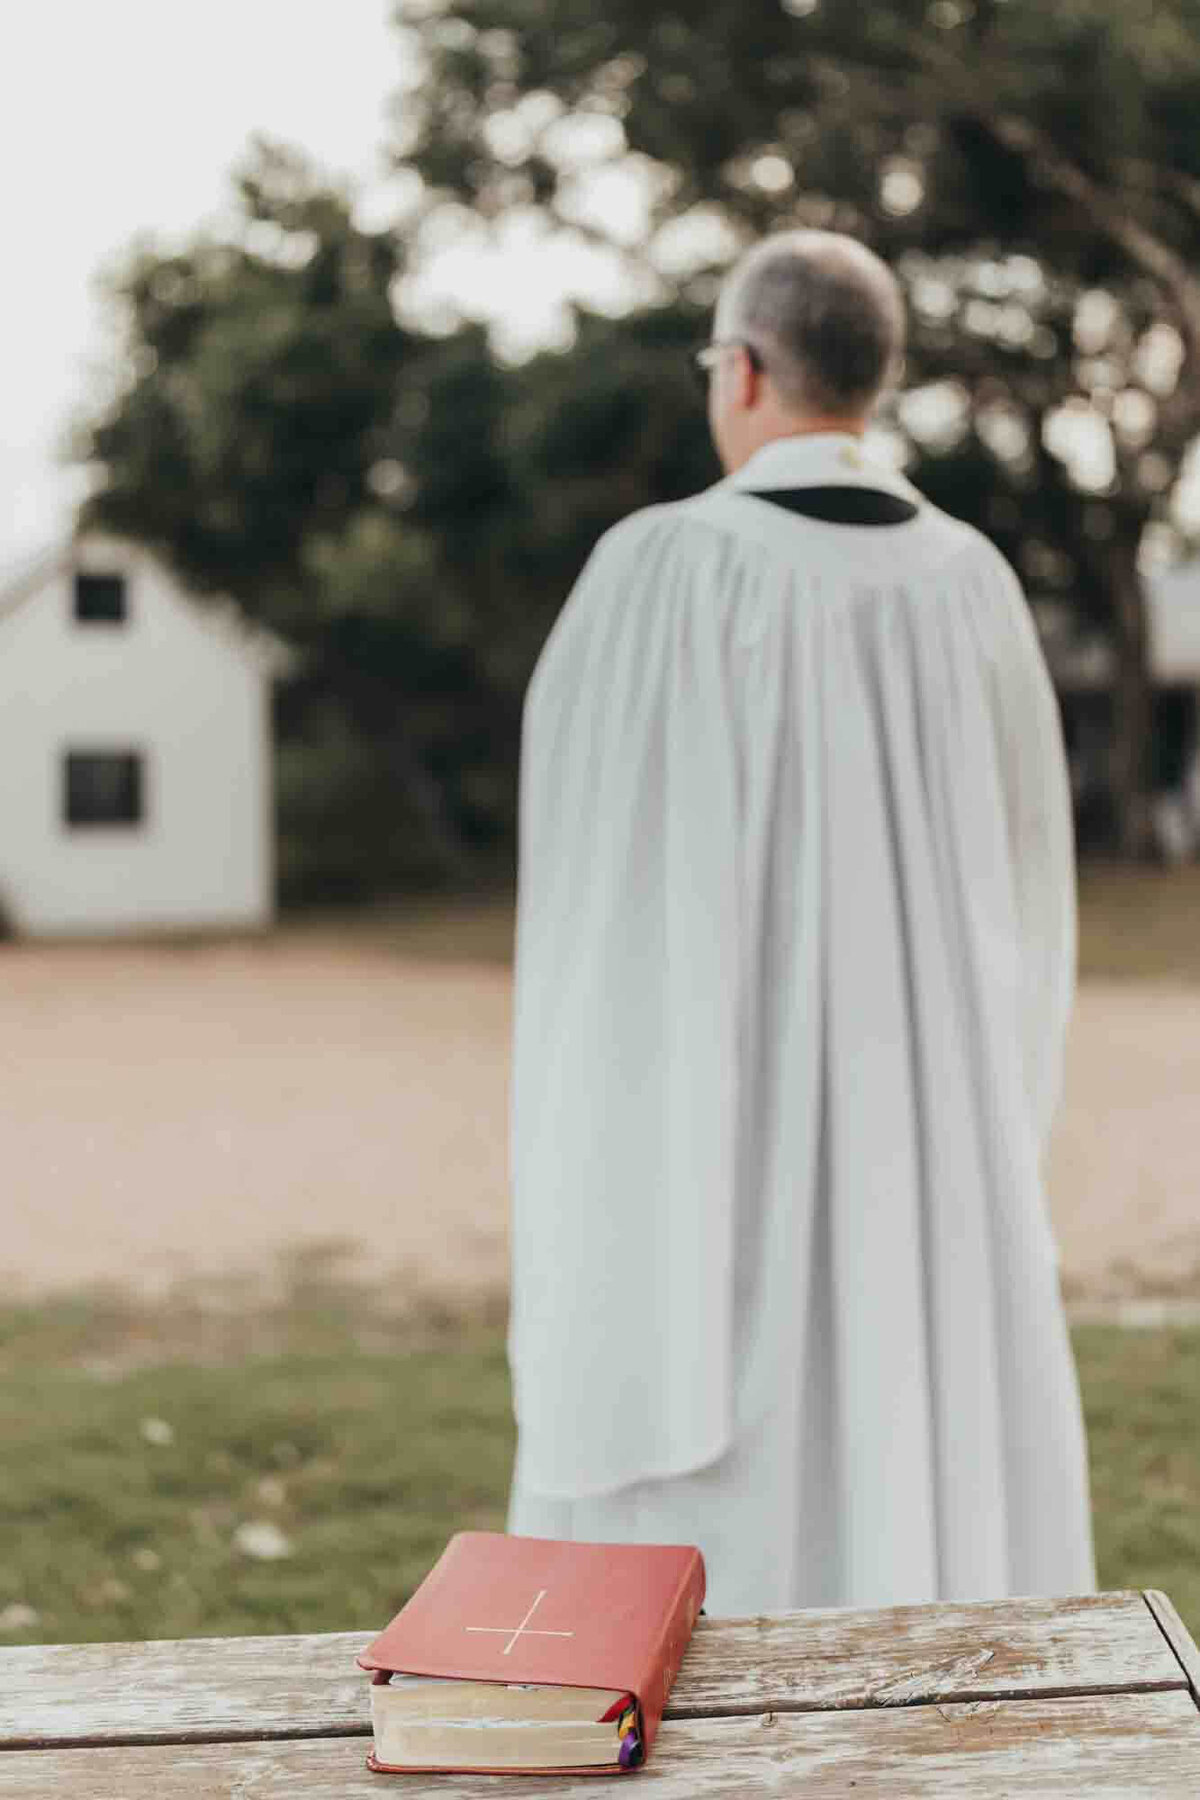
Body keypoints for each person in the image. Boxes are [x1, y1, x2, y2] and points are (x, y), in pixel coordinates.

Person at [505, 230, 1096, 1614]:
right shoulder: (976, 586)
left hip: (712, 1125)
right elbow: (1027, 892)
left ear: (749, 370)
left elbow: (603, 887)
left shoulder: (656, 571)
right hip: (929, 1146)